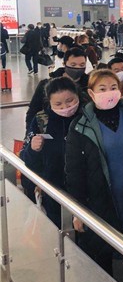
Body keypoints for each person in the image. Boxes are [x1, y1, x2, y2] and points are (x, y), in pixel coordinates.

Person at [65, 69, 123, 282]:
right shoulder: (81, 125)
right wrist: (78, 210)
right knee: (102, 250)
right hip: (100, 198)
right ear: (91, 93)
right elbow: (74, 171)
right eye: (102, 89)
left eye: (113, 87)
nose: (109, 92)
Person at [21, 77, 82, 226]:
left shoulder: (88, 117)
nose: (65, 107)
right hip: (53, 191)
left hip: (86, 190)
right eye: (58, 104)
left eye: (70, 101)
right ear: (49, 102)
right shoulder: (41, 120)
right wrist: (33, 149)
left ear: (77, 96)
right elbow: (26, 159)